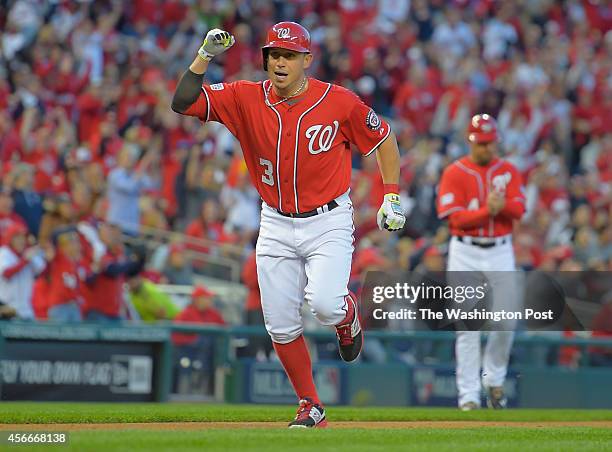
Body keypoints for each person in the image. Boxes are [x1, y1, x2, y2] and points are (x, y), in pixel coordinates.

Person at [172, 22, 406, 428]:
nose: (280, 62)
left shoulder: (337, 101)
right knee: (279, 325)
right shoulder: (245, 97)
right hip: (275, 221)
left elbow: (384, 138)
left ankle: (347, 317)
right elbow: (182, 102)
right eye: (274, 55)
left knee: (325, 304)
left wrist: (390, 194)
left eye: (289, 56)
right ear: (265, 59)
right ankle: (310, 404)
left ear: (306, 61)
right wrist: (204, 57)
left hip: (328, 219)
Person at [436, 114, 526, 410]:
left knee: (506, 319)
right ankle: (469, 396)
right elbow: (455, 218)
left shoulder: (509, 170)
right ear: (470, 141)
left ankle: (494, 378)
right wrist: (489, 211)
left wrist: (504, 207)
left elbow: (520, 209)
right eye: (480, 143)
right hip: (465, 251)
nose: (486, 148)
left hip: (501, 249)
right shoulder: (455, 172)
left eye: (489, 143)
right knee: (467, 325)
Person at [0, 222, 48, 319]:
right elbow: (6, 273)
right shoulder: (4, 252)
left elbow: (43, 272)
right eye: (17, 237)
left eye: (23, 238)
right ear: (10, 238)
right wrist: (25, 260)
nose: (21, 241)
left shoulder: (28, 253)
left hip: (26, 310)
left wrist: (37, 253)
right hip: (7, 309)